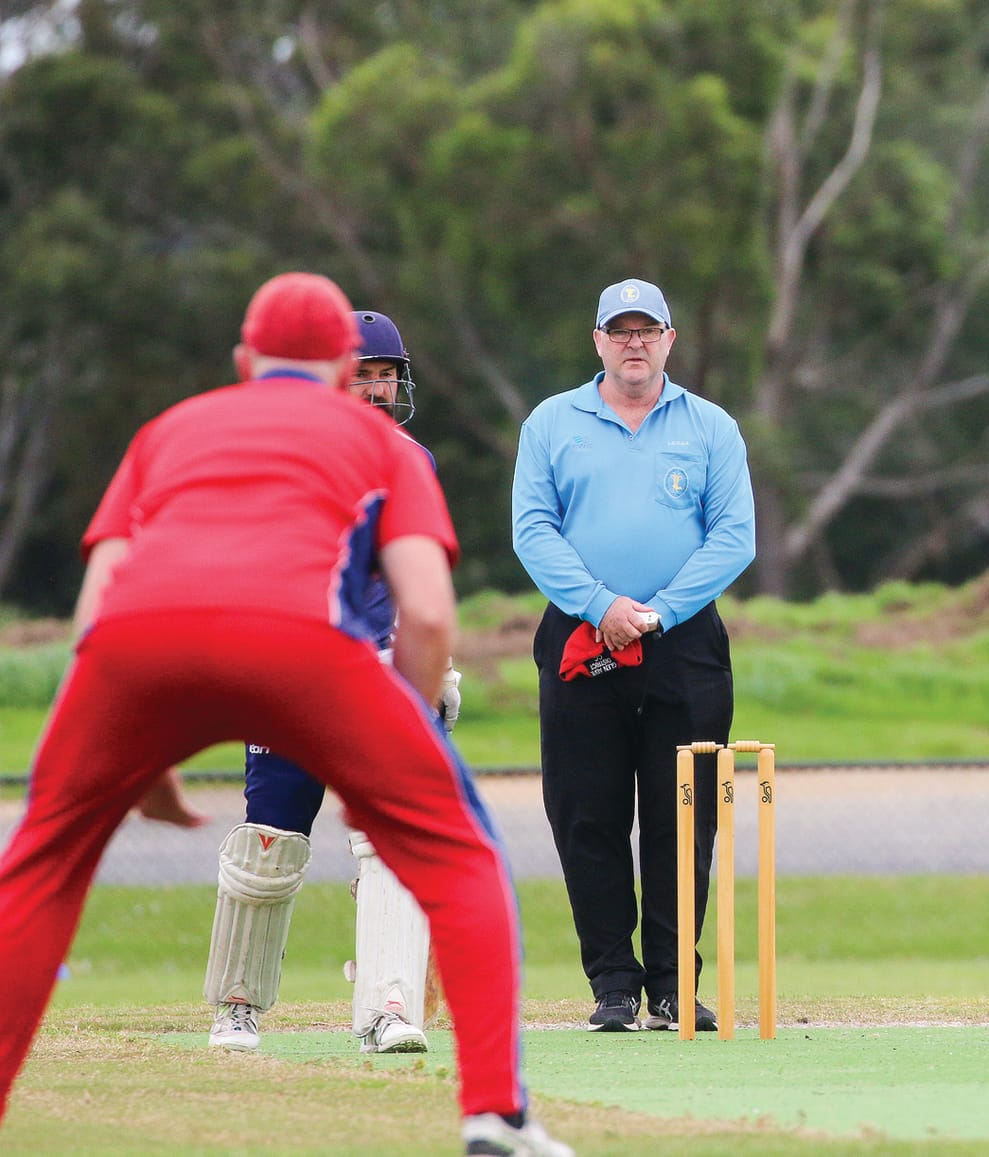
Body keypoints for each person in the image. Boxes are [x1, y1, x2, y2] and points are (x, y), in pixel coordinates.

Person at [0, 273, 569, 1156]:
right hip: (307, 646)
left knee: (39, 865)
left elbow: (102, 594)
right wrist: (406, 731)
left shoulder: (169, 428)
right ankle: (495, 1112)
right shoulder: (385, 448)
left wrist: (134, 743)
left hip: (138, 650)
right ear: (345, 367)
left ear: (243, 361)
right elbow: (424, 611)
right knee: (462, 859)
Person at [202, 309, 458, 1058]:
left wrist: (432, 667)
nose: (376, 390)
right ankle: (238, 1006)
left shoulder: (415, 460)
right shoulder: (278, 456)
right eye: (363, 375)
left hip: (379, 673)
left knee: (393, 842)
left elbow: (425, 579)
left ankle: (387, 1006)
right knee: (270, 842)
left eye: (387, 376)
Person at [512, 277, 755, 1033]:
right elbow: (532, 529)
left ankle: (674, 984)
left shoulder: (710, 426)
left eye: (647, 329)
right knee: (588, 813)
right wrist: (602, 606)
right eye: (620, 330)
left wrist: (655, 612)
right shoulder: (554, 422)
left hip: (684, 644)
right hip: (583, 638)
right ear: (598, 342)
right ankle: (613, 984)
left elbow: (734, 537)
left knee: (683, 819)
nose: (635, 342)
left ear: (669, 340)